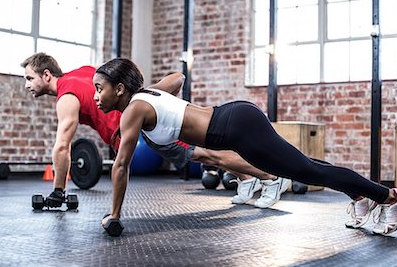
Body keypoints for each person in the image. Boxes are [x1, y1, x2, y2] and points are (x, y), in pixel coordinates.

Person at [95, 57, 397, 236]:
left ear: (120, 88)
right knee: (301, 165)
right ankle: (359, 193)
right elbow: (177, 77)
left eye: (100, 89)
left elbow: (121, 165)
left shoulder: (134, 109)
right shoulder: (147, 96)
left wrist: (115, 215)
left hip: (235, 128)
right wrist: (158, 93)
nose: (96, 96)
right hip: (233, 121)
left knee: (306, 170)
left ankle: (390, 196)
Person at [21, 53, 289, 208]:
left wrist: (58, 192)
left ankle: (271, 176)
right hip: (140, 124)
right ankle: (248, 179)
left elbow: (62, 145)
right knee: (204, 155)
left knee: (205, 155)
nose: (27, 85)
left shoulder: (66, 96)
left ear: (46, 75)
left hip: (143, 127)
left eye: (29, 78)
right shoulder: (82, 72)